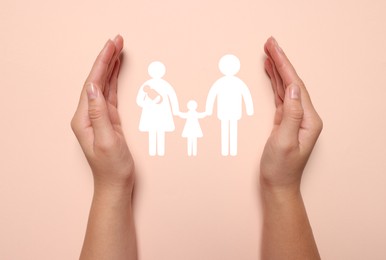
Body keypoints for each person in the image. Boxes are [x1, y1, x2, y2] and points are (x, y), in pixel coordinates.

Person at [71, 35, 322, 260]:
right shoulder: (190, 86)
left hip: (218, 114)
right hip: (192, 115)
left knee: (227, 132)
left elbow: (189, 98)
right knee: (221, 131)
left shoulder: (216, 85)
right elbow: (208, 97)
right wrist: (282, 187)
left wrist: (111, 185)